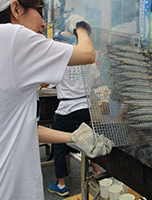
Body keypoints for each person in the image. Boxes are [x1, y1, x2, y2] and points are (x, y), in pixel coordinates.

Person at [0, 1, 112, 200]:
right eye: (39, 11)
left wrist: (73, 137)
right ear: (16, 9)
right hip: (4, 189)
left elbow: (22, 128)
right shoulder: (11, 36)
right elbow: (88, 54)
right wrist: (81, 26)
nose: (44, 23)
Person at [48, 31, 101, 197]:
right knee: (87, 138)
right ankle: (96, 170)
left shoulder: (59, 58)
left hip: (67, 109)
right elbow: (97, 80)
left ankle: (62, 184)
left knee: (58, 144)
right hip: (85, 107)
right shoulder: (85, 57)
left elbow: (44, 82)